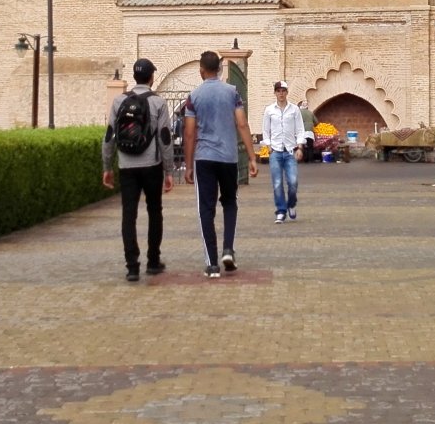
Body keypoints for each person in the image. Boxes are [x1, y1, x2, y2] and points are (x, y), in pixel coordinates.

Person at [183, 49, 258, 277]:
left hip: (204, 157)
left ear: (201, 72)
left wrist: (188, 165)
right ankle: (228, 249)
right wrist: (252, 156)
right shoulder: (232, 93)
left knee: (205, 209)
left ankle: (212, 264)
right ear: (219, 69)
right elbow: (242, 124)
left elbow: (189, 133)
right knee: (229, 202)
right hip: (228, 157)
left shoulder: (193, 97)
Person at [103, 58, 175, 282]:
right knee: (155, 211)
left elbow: (109, 137)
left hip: (126, 166)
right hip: (151, 166)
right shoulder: (157, 103)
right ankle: (153, 261)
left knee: (128, 215)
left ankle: (132, 266)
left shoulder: (118, 101)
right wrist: (169, 170)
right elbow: (165, 138)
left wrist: (107, 166)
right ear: (152, 77)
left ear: (134, 76)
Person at [262, 81, 306, 222]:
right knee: (277, 182)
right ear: (275, 93)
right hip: (275, 150)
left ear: (287, 92)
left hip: (290, 150)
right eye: (278, 91)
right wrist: (269, 147)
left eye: (283, 91)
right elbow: (265, 130)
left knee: (293, 181)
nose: (281, 93)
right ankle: (280, 210)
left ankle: (291, 204)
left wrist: (300, 147)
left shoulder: (294, 110)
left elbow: (300, 130)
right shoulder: (269, 110)